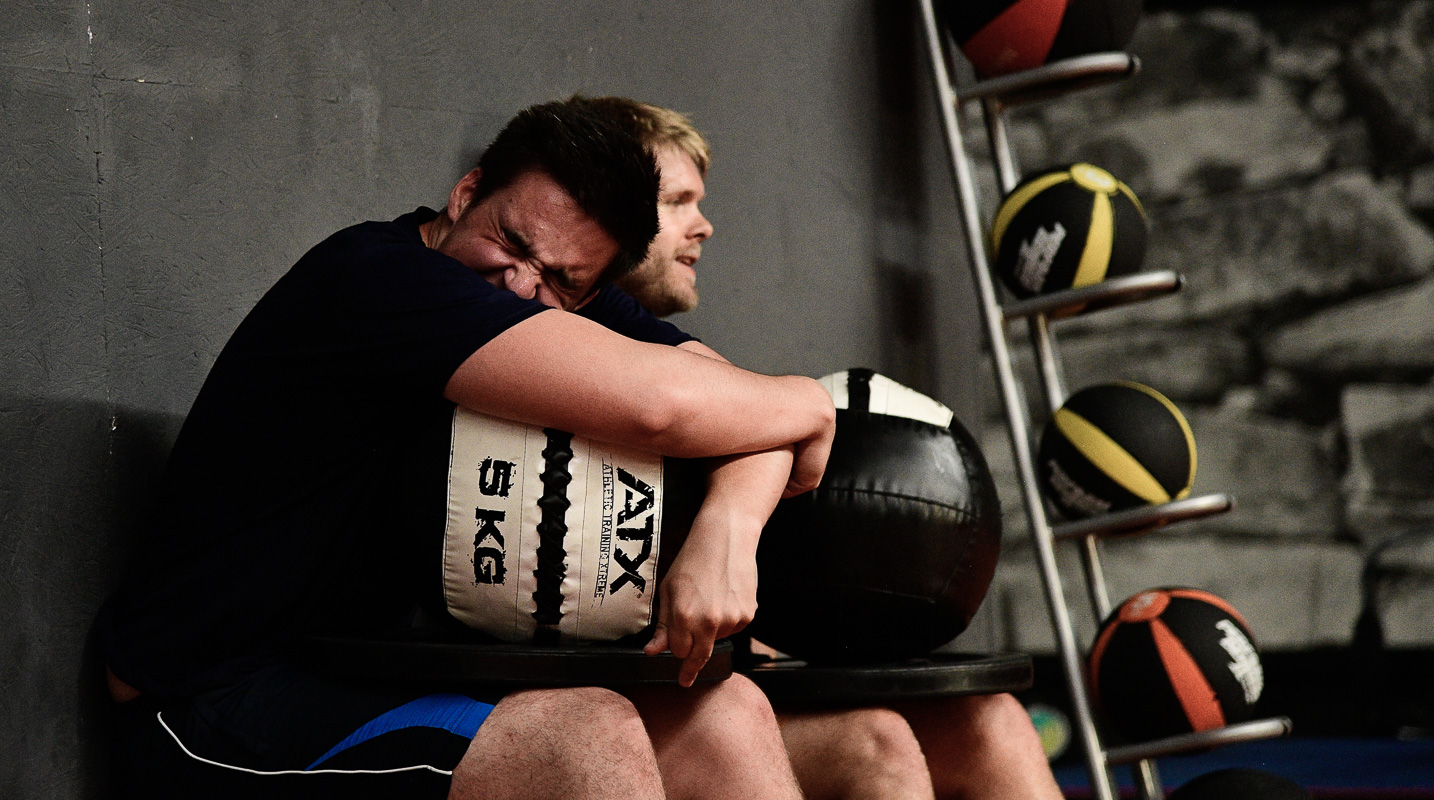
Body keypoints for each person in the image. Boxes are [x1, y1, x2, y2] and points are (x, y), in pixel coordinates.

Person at [97, 97, 834, 800]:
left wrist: (728, 529)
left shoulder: (556, 284)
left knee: (722, 714)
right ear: (466, 190)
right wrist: (807, 399)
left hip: (367, 669)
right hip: (203, 704)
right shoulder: (380, 279)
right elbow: (669, 408)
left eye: (558, 279)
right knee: (584, 738)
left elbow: (738, 405)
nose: (517, 284)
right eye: (511, 242)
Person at [600, 95, 1065, 800]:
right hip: (628, 705)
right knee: (875, 746)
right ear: (601, 208)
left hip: (714, 685)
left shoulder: (687, 368)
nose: (705, 225)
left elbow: (786, 419)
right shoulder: (550, 357)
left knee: (992, 722)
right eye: (678, 201)